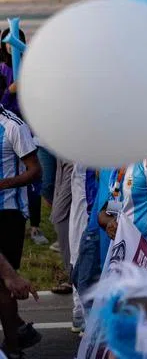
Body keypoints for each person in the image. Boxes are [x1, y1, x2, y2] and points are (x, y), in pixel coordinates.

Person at [0, 100, 40, 356]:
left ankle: (13, 348)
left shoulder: (13, 126)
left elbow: (35, 170)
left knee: (2, 284)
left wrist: (3, 184)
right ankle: (20, 329)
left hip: (7, 212)